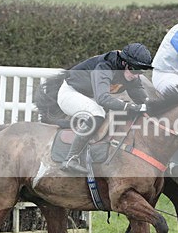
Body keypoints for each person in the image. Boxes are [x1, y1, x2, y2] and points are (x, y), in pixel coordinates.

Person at [57, 43, 153, 173]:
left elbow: (143, 100)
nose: (136, 75)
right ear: (125, 63)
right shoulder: (105, 66)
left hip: (91, 97)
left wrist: (153, 108)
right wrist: (129, 107)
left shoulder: (130, 73)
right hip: (70, 94)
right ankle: (70, 159)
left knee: (114, 109)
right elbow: (102, 98)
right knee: (97, 113)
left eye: (140, 72)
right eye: (135, 70)